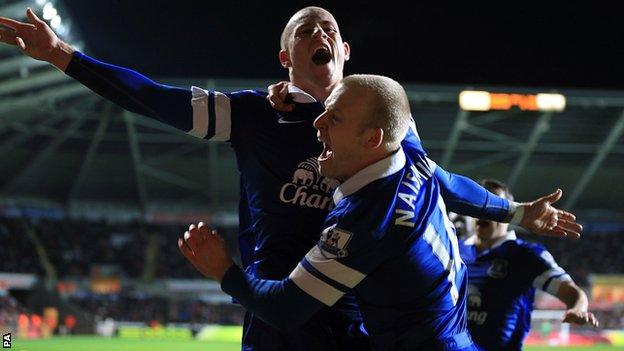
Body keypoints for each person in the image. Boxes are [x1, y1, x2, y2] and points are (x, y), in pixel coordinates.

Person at [0, 7, 582, 350]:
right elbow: (155, 99)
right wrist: (66, 57)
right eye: (305, 29)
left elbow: (443, 180)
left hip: (359, 324)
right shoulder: (253, 114)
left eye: (328, 26)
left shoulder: (388, 125)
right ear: (285, 57)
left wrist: (511, 213)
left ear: (347, 49)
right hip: (279, 315)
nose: (319, 32)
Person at [180, 74, 478, 350]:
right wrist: (515, 213)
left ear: (372, 139)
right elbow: (388, 106)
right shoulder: (413, 157)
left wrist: (222, 270)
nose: (317, 122)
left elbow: (284, 309)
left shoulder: (364, 218)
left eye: (333, 118)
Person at [459, 179, 598, 351]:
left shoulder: (527, 255)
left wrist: (578, 308)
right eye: (480, 204)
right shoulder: (454, 249)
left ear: (507, 214)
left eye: (494, 204)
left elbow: (572, 292)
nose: (484, 210)